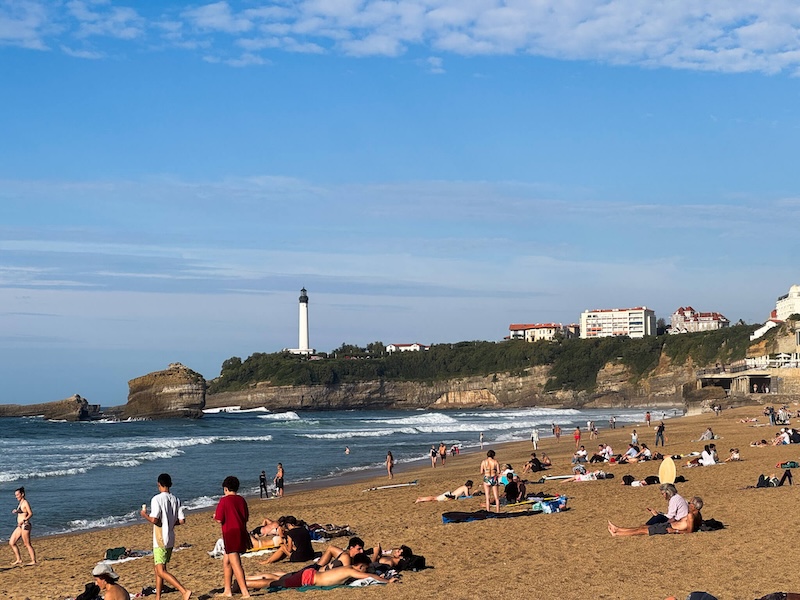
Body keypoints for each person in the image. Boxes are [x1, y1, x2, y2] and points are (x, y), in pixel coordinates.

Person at [140, 473, 192, 600]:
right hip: (170, 536)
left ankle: (183, 590)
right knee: (159, 568)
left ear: (159, 484)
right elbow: (181, 520)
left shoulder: (157, 499)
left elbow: (154, 519)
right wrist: (169, 522)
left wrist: (144, 515)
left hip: (160, 537)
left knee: (161, 570)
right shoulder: (176, 499)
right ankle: (158, 596)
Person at [245, 553, 399, 590]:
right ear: (360, 566)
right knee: (274, 584)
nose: (365, 570)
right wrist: (387, 581)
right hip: (308, 578)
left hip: (310, 574)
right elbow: (368, 576)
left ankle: (245, 582)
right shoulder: (352, 570)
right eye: (365, 567)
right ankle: (244, 583)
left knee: (278, 581)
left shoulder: (346, 569)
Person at [214, 475, 251, 598]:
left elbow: (219, 519)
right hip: (240, 530)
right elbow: (245, 517)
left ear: (225, 488)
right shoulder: (241, 500)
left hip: (230, 532)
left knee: (235, 563)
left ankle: (245, 592)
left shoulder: (224, 500)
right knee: (227, 561)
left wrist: (214, 517)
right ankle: (227, 590)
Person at [608, 497, 703, 537]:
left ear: (693, 506)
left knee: (641, 530)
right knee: (643, 527)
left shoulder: (690, 515)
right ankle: (618, 529)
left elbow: (690, 532)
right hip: (668, 525)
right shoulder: (698, 515)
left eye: (690, 503)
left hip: (669, 528)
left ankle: (617, 534)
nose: (688, 504)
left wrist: (675, 531)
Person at [9, 486, 36, 566]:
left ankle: (33, 561)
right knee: (11, 542)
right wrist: (17, 511)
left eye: (17, 495)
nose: (16, 496)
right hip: (20, 526)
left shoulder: (25, 502)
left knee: (27, 544)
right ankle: (19, 559)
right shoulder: (20, 503)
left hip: (25, 525)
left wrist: (24, 520)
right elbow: (23, 512)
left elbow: (30, 513)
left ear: (22, 494)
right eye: (15, 495)